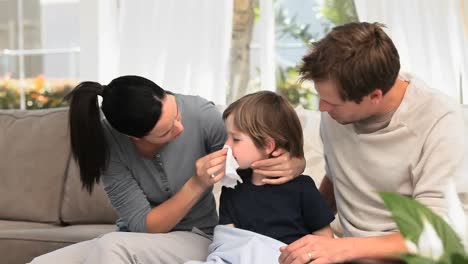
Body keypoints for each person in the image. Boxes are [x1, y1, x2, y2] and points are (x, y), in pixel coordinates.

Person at [30, 75, 306, 264]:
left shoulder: (199, 113)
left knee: (111, 246)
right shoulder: (109, 144)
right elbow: (144, 226)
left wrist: (295, 162)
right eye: (167, 130)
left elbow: (253, 148)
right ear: (135, 137)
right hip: (137, 237)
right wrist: (196, 184)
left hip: (198, 235)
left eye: (176, 114)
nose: (180, 127)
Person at [278, 22, 466, 264]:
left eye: (332, 103)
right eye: (321, 98)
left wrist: (340, 249)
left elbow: (437, 234)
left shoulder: (439, 122)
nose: (322, 109)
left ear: (375, 96)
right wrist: (299, 224)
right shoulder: (336, 113)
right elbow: (339, 176)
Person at [219, 91, 335, 244]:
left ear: (268, 145)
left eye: (236, 139)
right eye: (226, 137)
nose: (226, 145)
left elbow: (325, 241)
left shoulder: (303, 188)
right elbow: (227, 244)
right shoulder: (231, 187)